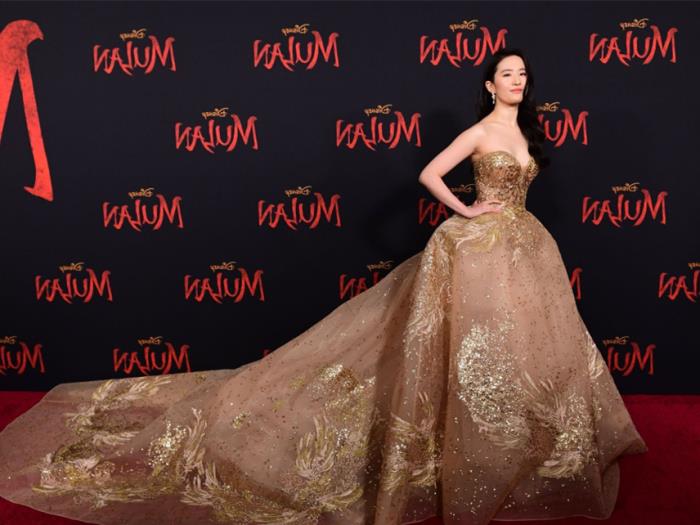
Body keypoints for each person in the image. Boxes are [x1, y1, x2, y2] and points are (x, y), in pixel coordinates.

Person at [0, 48, 647, 525]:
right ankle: (464, 462)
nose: (517, 80)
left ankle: (521, 455)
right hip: (476, 250)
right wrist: (467, 210)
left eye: (523, 74)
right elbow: (429, 173)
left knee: (520, 354)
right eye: (507, 74)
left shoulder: (527, 132)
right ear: (489, 84)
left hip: (527, 249)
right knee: (464, 354)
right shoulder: (480, 133)